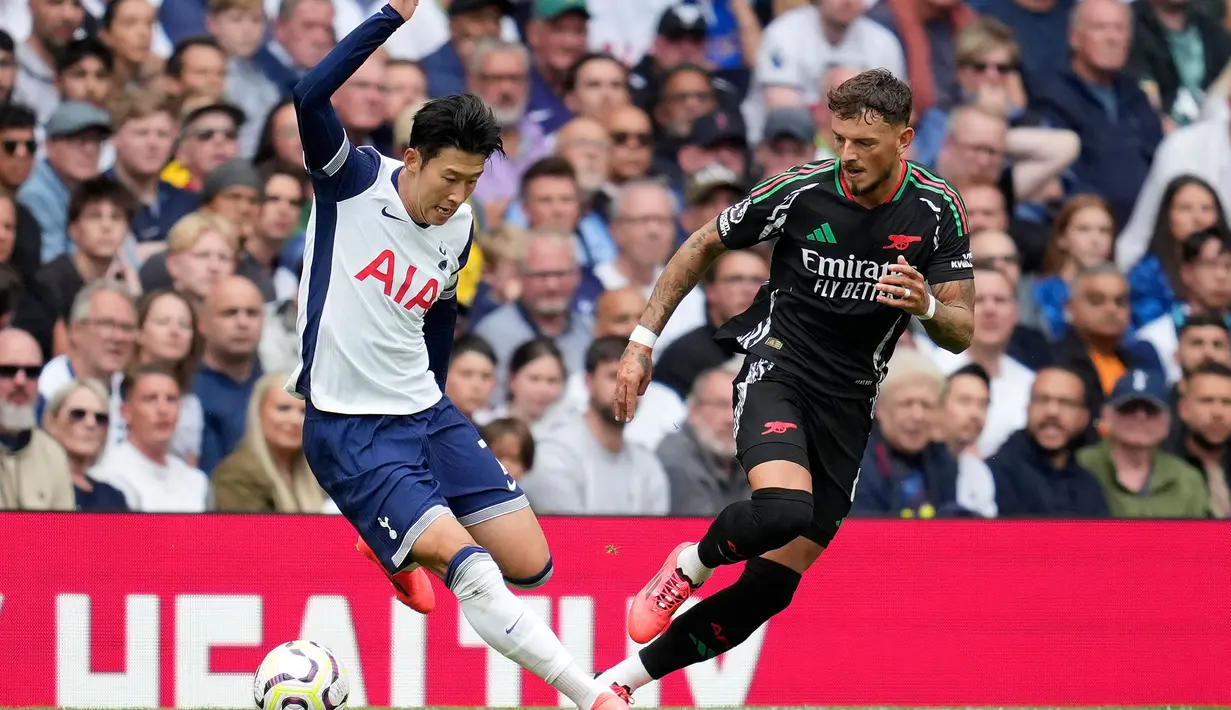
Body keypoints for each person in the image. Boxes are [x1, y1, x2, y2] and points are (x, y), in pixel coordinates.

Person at [286, 4, 628, 710]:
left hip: (426, 416)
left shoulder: (462, 222)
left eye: (472, 181)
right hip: (350, 429)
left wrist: (438, 407)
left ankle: (396, 539)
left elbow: (439, 315)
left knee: (531, 565)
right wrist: (389, 18)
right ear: (412, 158)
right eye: (448, 177)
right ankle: (592, 695)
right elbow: (308, 95)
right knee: (472, 572)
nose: (457, 195)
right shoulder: (349, 182)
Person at [598, 68, 975, 698]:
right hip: (780, 369)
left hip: (852, 400)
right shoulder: (801, 190)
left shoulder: (937, 209)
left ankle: (620, 683)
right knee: (782, 510)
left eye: (865, 143)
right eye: (840, 140)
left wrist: (929, 308)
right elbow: (699, 246)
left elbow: (962, 331)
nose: (848, 156)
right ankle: (688, 565)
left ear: (905, 139)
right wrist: (641, 343)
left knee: (770, 589)